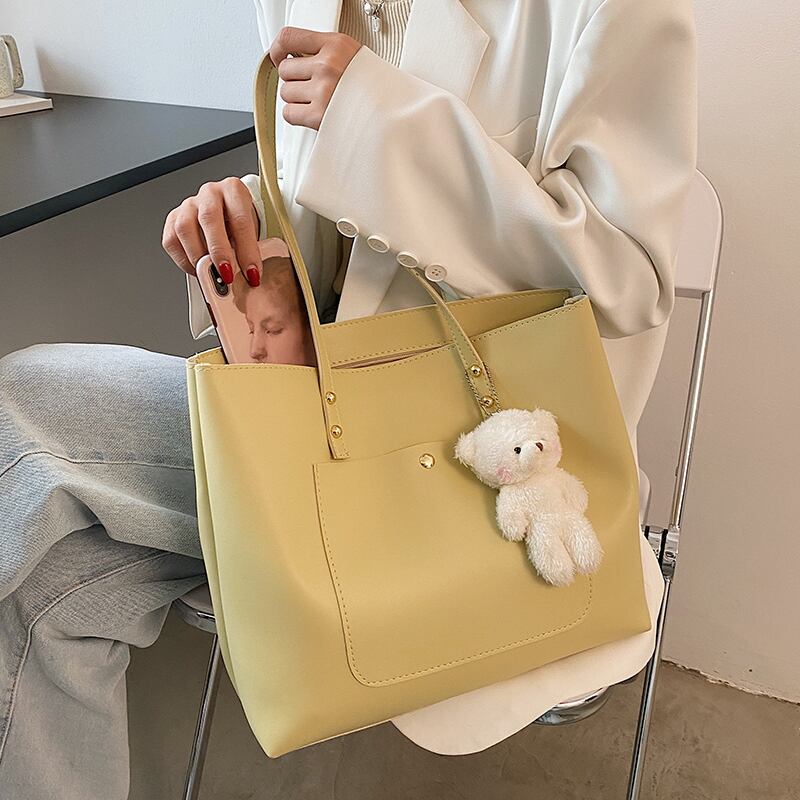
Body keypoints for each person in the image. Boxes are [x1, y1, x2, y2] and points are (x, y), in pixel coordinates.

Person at [0, 0, 697, 796]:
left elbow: (629, 277)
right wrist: (246, 224)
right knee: (43, 584)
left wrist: (382, 126)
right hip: (326, 424)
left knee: (23, 411)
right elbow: (345, 248)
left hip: (479, 475)